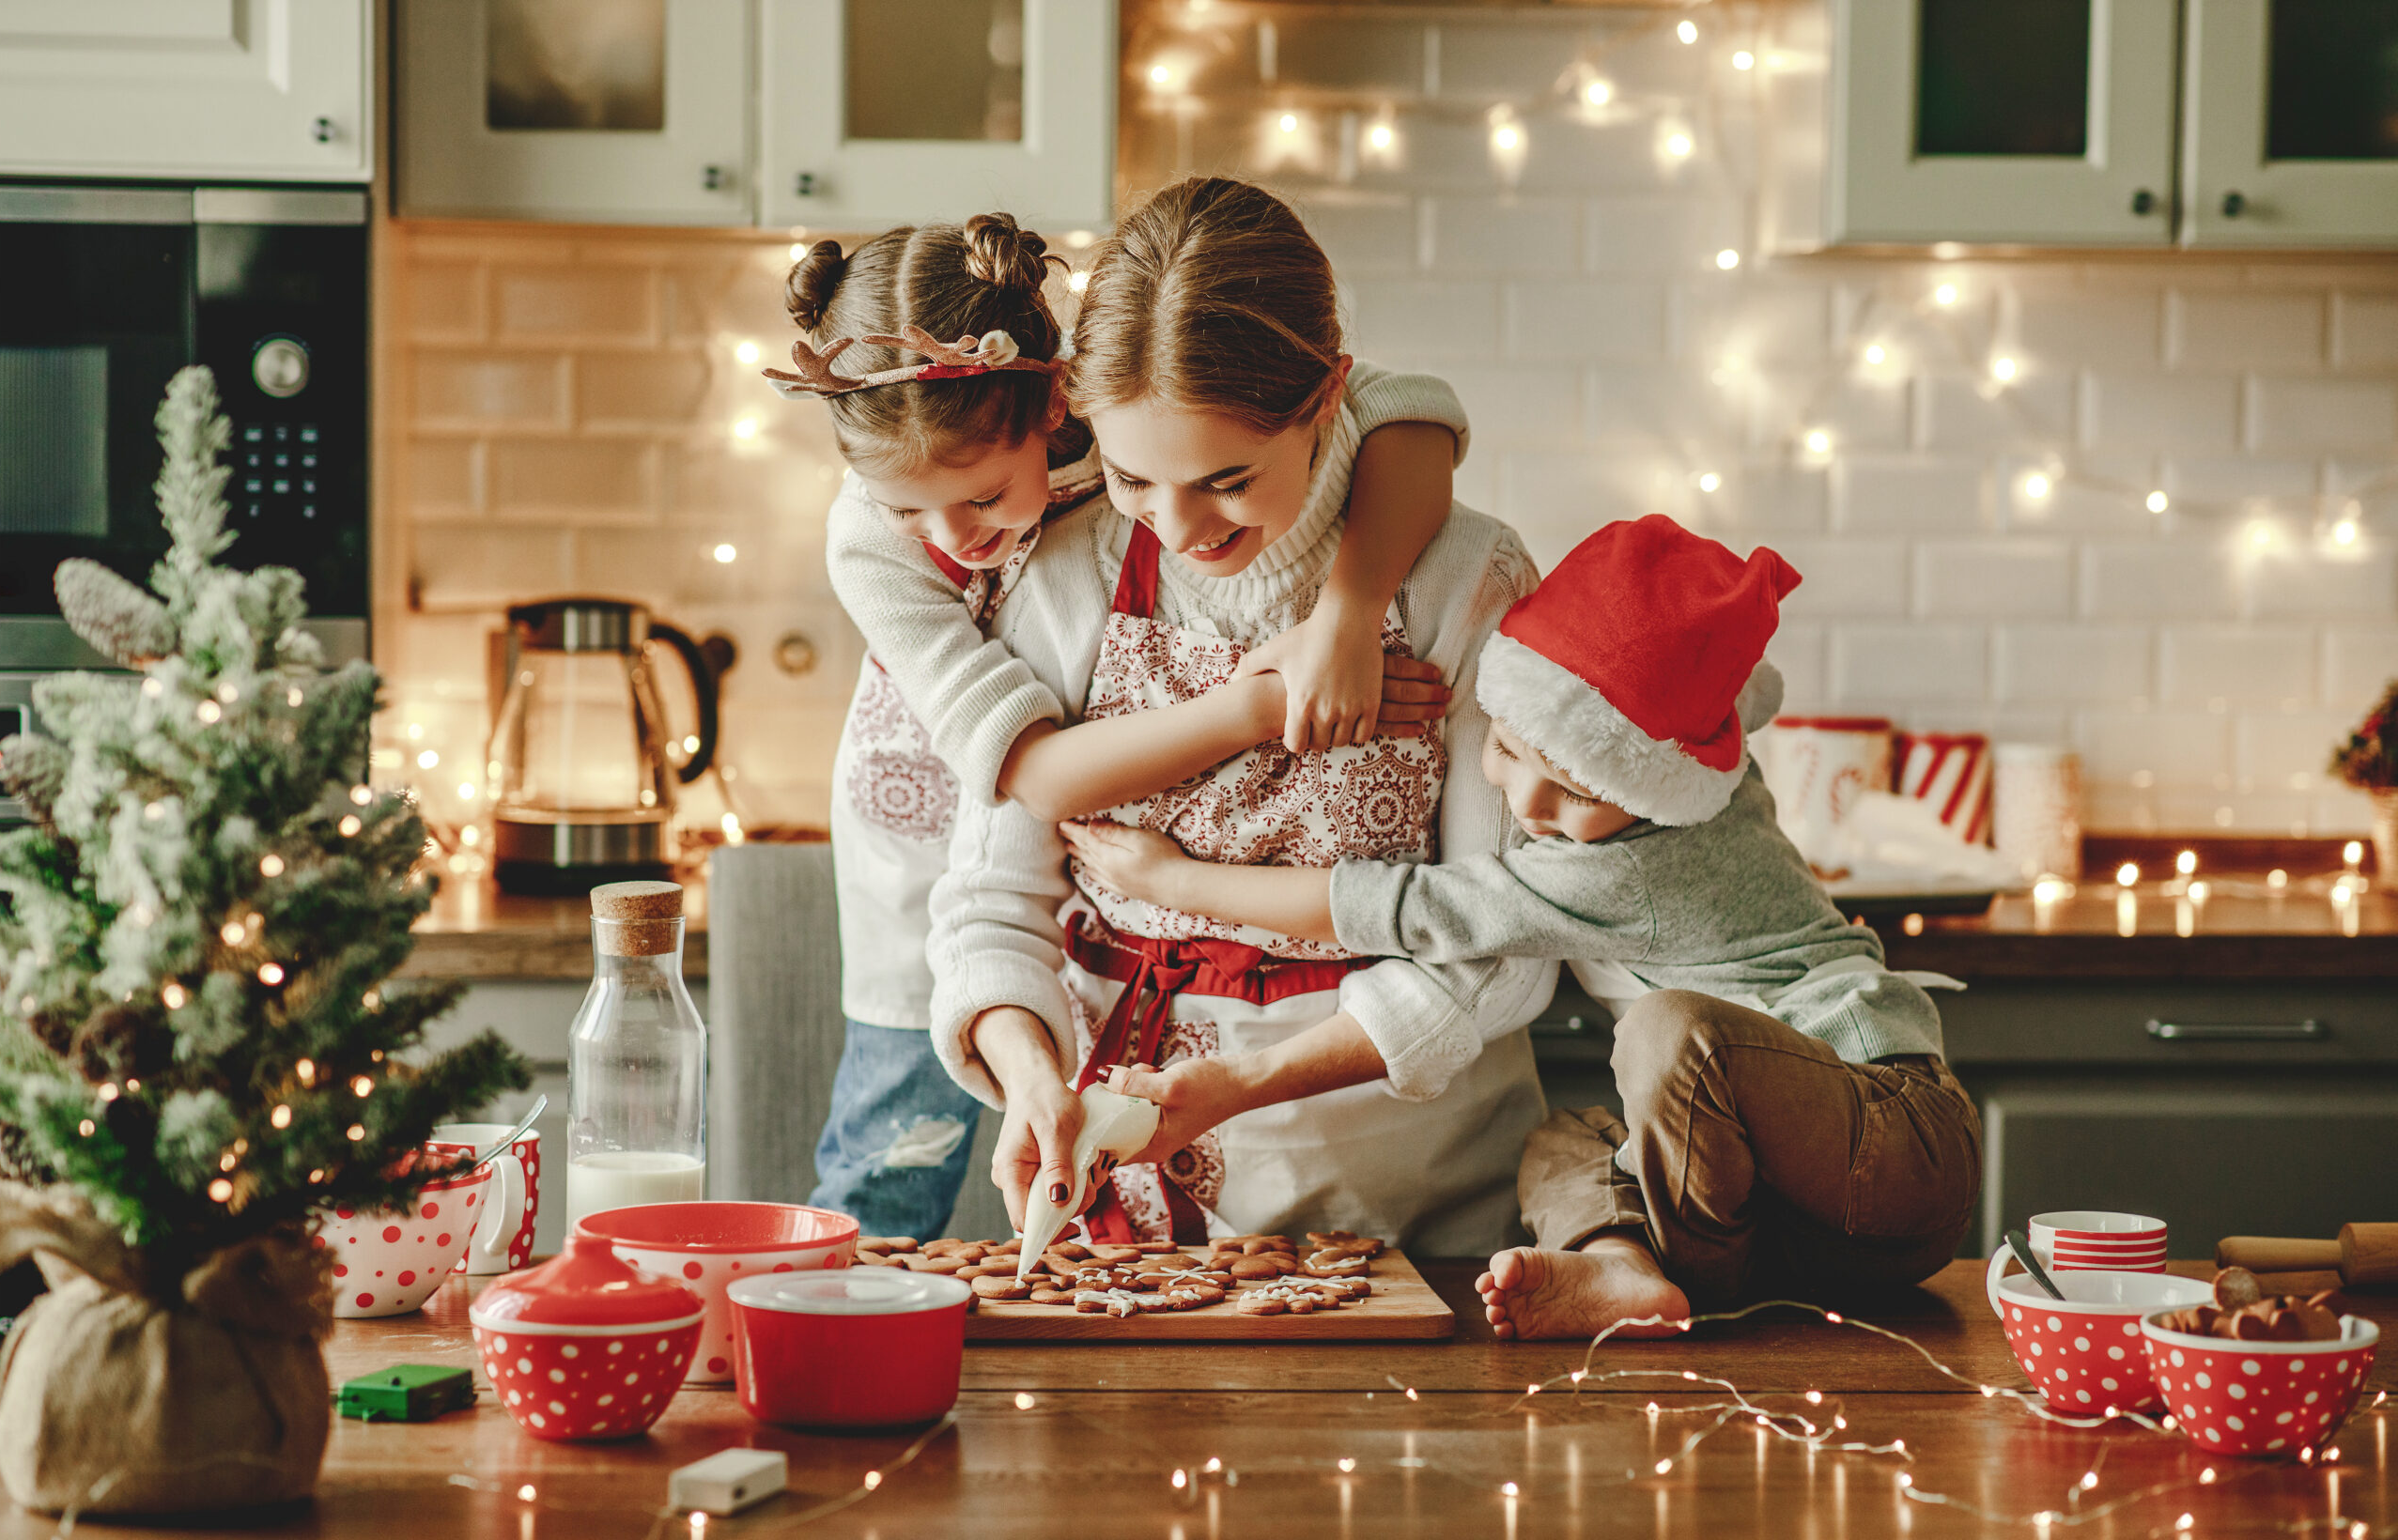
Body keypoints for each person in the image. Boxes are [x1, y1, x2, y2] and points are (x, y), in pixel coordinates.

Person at [1065, 515, 1982, 1338]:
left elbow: (1396, 904)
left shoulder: (1627, 862)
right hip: (1800, 1219)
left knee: (1674, 1029)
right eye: (1504, 748)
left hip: (1889, 1138)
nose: (1528, 801)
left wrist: (1175, 877)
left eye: (1577, 790)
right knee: (1558, 1144)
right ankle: (1625, 1267)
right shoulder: (1694, 761)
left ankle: (1682, 1275)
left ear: (1650, 785)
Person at [781, 211, 1468, 1239]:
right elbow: (1039, 778)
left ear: (1058, 401)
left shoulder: (1128, 426)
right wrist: (1262, 703)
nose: (949, 539)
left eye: (978, 497)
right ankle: (849, 1328)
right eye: (906, 511)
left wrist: (1348, 613)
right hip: (951, 784)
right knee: (894, 1145)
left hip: (1098, 779)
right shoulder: (872, 543)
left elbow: (1408, 416)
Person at [924, 176, 1558, 1255]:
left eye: (1224, 479)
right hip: (1121, 1216)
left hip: (1407, 1209)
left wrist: (1248, 1081)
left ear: (1326, 400)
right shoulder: (1068, 567)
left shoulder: (1460, 578)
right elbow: (993, 898)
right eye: (1130, 477)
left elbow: (1500, 938)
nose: (1174, 527)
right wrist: (1031, 1073)